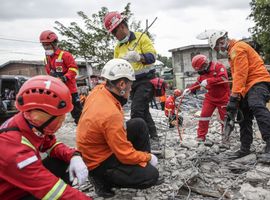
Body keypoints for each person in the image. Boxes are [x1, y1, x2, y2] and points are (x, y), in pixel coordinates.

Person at [76, 59, 160, 198]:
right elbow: (124, 154)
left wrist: (142, 159)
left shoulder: (98, 90)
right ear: (121, 84)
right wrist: (148, 156)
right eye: (130, 84)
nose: (131, 88)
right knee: (151, 176)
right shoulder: (110, 114)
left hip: (97, 147)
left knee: (138, 124)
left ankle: (141, 164)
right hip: (98, 162)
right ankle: (102, 180)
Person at [0, 75, 90, 199]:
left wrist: (73, 156)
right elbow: (51, 190)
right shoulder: (14, 149)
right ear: (39, 117)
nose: (61, 122)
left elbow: (51, 144)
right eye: (59, 118)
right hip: (12, 194)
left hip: (22, 184)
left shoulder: (28, 123)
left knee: (62, 160)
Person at [209, 30, 270, 163]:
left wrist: (233, 97)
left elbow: (240, 74)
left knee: (256, 104)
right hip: (247, 86)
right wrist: (237, 98)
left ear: (221, 42)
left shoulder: (237, 49)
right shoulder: (233, 51)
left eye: (217, 48)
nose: (218, 50)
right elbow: (239, 76)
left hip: (259, 81)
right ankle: (245, 148)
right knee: (243, 114)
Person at [103, 11, 158, 141]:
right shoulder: (118, 47)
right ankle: (153, 135)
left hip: (146, 81)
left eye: (114, 32)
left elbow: (152, 57)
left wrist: (139, 57)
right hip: (131, 84)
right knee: (143, 110)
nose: (114, 36)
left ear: (122, 26)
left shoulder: (141, 37)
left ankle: (137, 139)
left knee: (136, 110)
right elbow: (116, 66)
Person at [182, 54, 230, 142]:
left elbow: (224, 79)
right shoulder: (203, 74)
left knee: (225, 119)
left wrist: (209, 81)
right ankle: (201, 136)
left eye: (200, 69)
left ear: (205, 65)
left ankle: (225, 138)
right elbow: (198, 83)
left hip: (223, 98)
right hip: (210, 98)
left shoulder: (218, 67)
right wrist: (190, 89)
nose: (199, 71)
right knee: (204, 116)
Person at [39, 30, 82, 124]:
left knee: (78, 115)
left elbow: (74, 69)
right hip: (56, 91)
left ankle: (85, 132)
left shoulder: (65, 55)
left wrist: (64, 78)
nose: (46, 47)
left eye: (47, 45)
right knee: (53, 115)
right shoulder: (46, 59)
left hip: (70, 91)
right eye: (44, 45)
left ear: (54, 43)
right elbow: (49, 73)